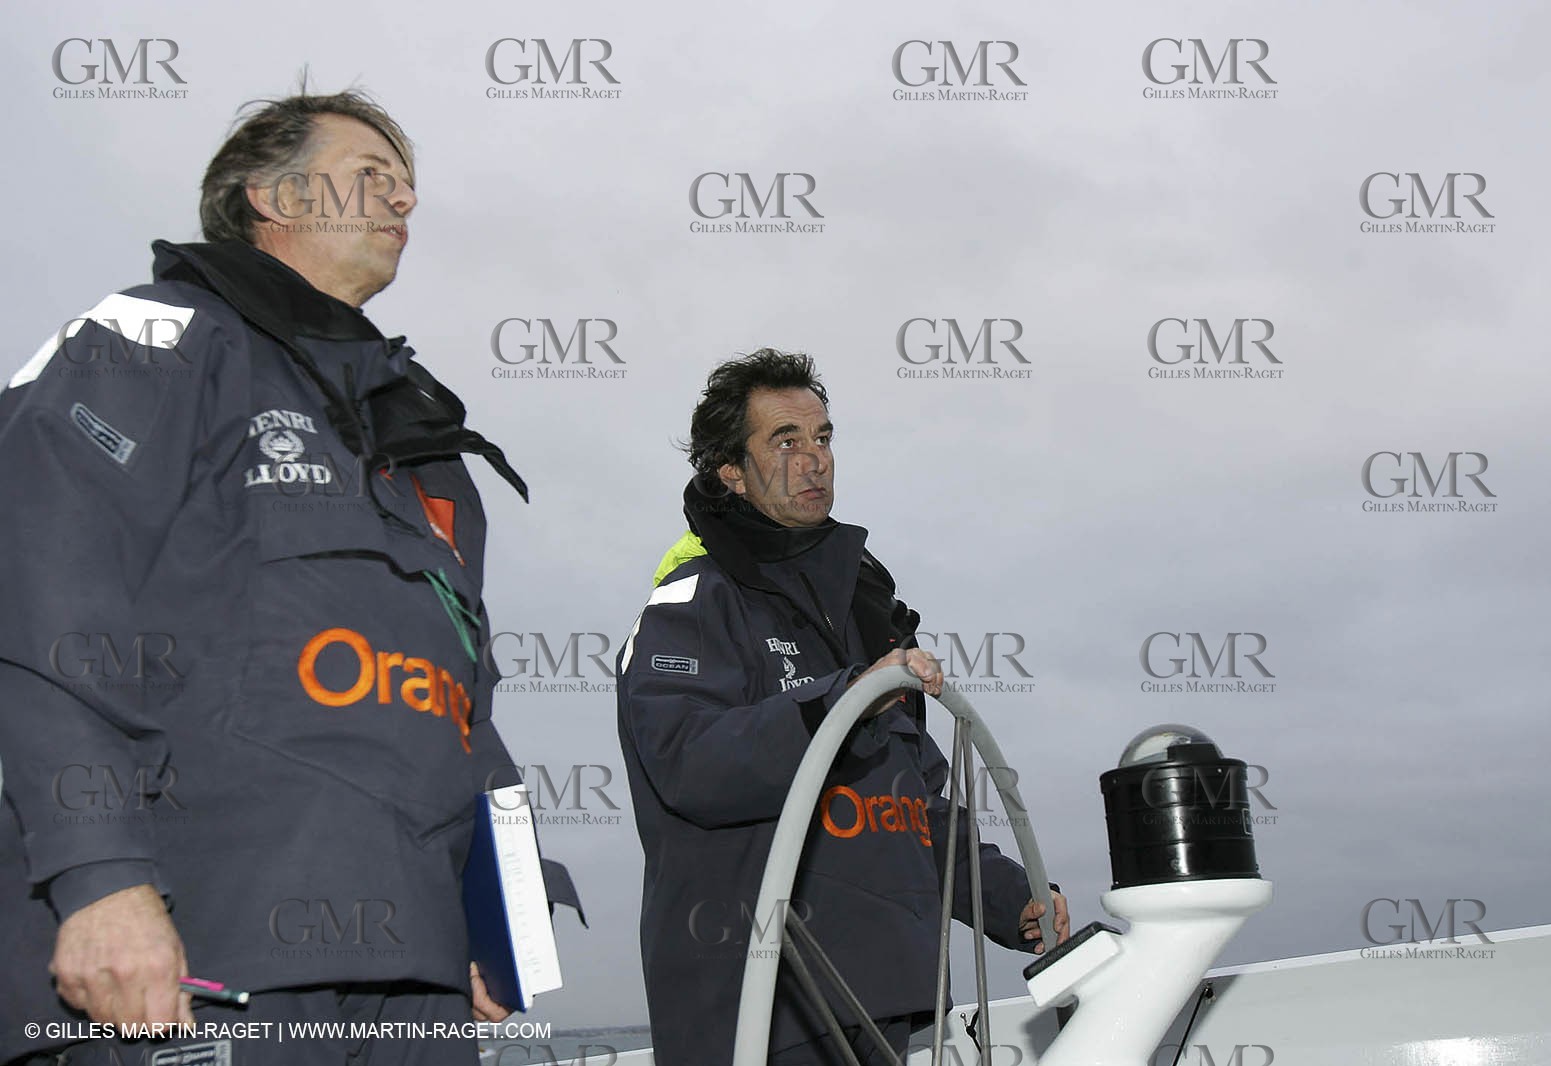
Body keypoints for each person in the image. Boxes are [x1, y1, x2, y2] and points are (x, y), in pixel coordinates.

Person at [0, 87, 542, 1064]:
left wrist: (491, 915)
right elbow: (43, 585)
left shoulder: (424, 443)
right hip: (205, 950)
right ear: (270, 195)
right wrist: (98, 878)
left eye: (408, 185)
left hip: (416, 974)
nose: (403, 201)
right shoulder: (153, 339)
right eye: (371, 175)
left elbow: (467, 699)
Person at [615, 350, 1069, 1065]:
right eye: (785, 441)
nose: (814, 460)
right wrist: (840, 704)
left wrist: (1011, 898)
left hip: (887, 1001)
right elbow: (687, 762)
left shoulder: (865, 611)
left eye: (822, 438)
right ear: (731, 470)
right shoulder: (693, 603)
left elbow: (913, 803)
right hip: (763, 1006)